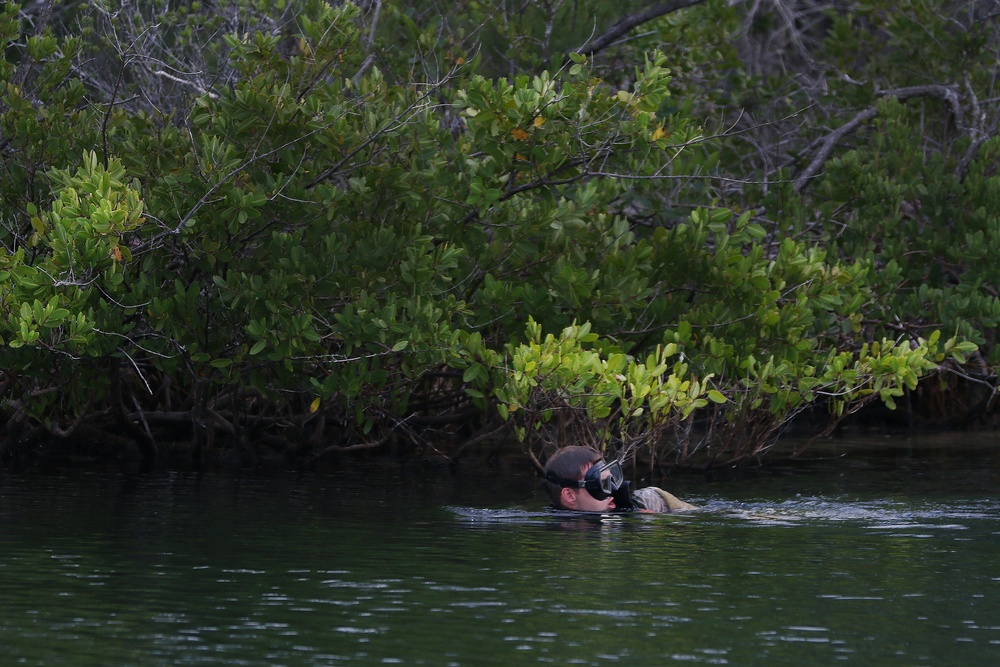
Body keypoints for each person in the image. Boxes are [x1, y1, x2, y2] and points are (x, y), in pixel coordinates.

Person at [542, 445, 697, 513]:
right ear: (569, 495)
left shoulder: (651, 501)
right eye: (601, 484)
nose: (612, 491)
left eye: (611, 479)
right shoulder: (558, 528)